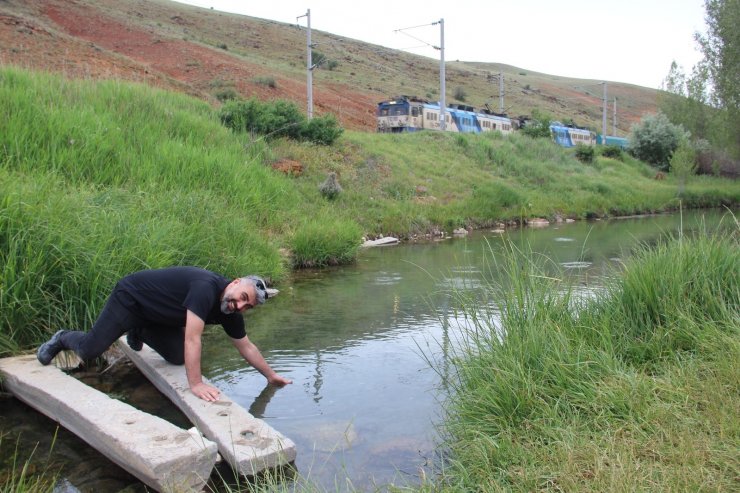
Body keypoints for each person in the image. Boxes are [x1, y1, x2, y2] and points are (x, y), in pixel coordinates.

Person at [36, 266, 292, 401]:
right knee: (90, 349)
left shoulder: (230, 312)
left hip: (157, 317)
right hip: (131, 300)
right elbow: (193, 338)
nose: (240, 306)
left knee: (178, 356)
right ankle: (62, 337)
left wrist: (271, 376)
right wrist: (196, 384)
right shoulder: (205, 288)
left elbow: (246, 346)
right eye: (242, 298)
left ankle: (141, 331)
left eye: (248, 306)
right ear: (235, 283)